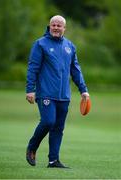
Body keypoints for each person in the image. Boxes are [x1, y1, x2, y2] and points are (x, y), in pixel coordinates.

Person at [26, 15, 89, 168]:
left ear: (64, 28)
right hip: (46, 93)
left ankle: (53, 161)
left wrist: (83, 90)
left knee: (58, 128)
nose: (55, 27)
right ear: (49, 26)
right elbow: (32, 68)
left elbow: (76, 70)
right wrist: (30, 89)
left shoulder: (70, 46)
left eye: (59, 25)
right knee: (48, 121)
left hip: (64, 95)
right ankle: (32, 147)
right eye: (53, 24)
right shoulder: (40, 44)